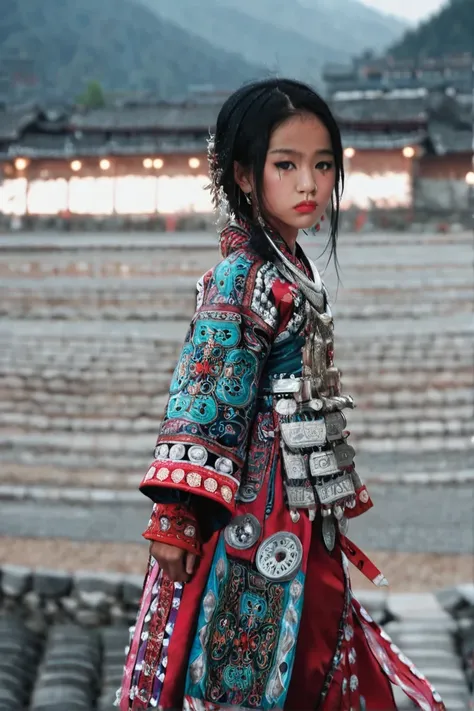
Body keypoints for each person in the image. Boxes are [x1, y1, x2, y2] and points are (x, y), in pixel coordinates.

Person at [118, 78, 445, 711]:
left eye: (323, 166)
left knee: (306, 643)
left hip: (299, 501)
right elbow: (206, 390)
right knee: (248, 656)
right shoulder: (244, 277)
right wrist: (177, 517)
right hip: (250, 507)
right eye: (287, 164)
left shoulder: (294, 268)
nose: (310, 184)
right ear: (244, 175)